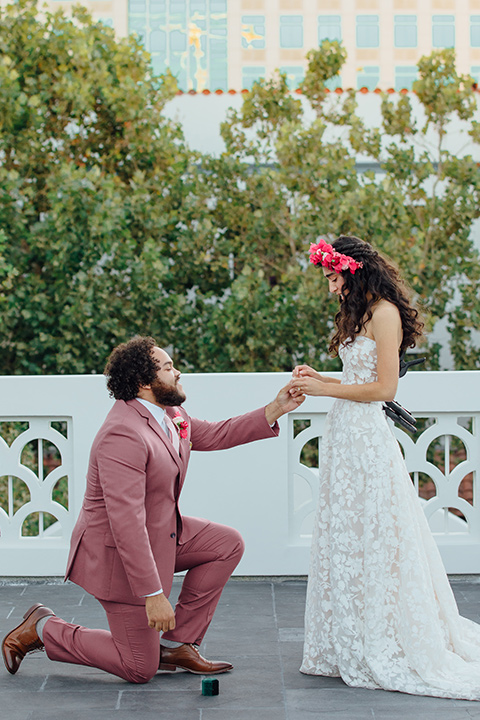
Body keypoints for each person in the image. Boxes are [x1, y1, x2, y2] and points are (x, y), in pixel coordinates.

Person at [2, 336, 304, 684]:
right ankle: (43, 628)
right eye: (168, 367)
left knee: (226, 544)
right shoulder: (122, 435)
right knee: (138, 668)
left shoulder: (169, 413)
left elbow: (214, 434)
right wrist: (154, 595)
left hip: (160, 534)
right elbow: (125, 524)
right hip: (118, 557)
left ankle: (177, 645)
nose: (179, 373)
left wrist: (277, 407)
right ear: (145, 383)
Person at [290, 235, 480, 700]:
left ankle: (382, 637)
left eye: (333, 277)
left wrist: (325, 392)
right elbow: (357, 381)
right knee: (346, 533)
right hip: (343, 436)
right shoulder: (358, 314)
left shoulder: (386, 314)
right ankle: (345, 637)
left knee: (376, 534)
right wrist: (321, 379)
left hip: (367, 441)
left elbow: (385, 390)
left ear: (352, 271)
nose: (330, 287)